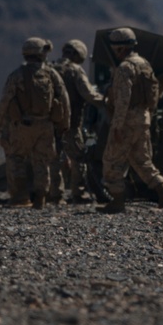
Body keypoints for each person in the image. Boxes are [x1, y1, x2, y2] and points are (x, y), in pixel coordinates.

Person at [98, 27, 163, 213]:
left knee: (111, 160)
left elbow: (123, 99)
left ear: (119, 48)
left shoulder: (125, 68)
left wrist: (117, 125)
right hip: (144, 118)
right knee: (141, 160)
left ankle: (117, 201)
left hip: (126, 120)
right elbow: (157, 90)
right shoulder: (145, 64)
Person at [0, 37, 70, 209]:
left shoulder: (17, 74)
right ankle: (41, 198)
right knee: (41, 161)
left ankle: (20, 197)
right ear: (42, 54)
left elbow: (5, 100)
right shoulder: (51, 74)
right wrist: (65, 123)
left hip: (22, 126)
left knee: (16, 158)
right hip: (45, 126)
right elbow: (64, 100)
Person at [50, 39, 105, 203]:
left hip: (50, 123)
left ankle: (55, 194)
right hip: (71, 124)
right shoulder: (75, 70)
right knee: (78, 159)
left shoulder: (50, 68)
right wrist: (107, 102)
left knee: (54, 159)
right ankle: (78, 193)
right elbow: (89, 94)